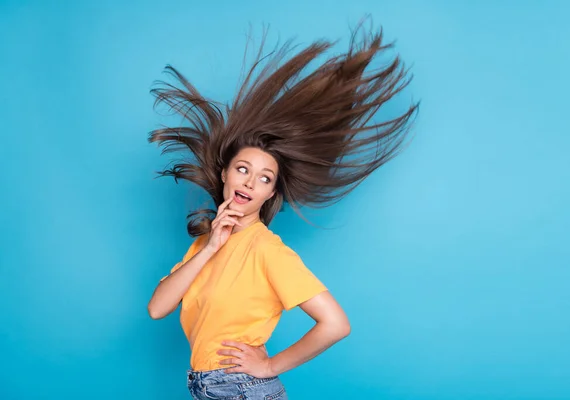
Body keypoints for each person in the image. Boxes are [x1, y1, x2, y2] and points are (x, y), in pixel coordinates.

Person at [146, 21, 419, 400]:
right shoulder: (207, 244)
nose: (248, 182)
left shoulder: (268, 251)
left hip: (240, 388)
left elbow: (335, 324)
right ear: (225, 172)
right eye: (243, 170)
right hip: (209, 386)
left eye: (264, 178)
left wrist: (270, 366)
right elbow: (158, 308)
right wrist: (210, 248)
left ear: (272, 192)